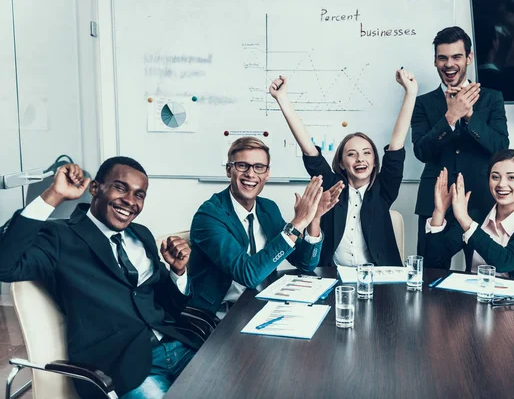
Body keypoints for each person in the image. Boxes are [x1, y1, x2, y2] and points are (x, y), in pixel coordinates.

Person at [0, 157, 201, 399]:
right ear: (95, 188)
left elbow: (165, 306)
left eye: (139, 195)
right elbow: (5, 265)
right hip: (125, 369)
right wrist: (54, 194)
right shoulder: (60, 236)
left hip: (176, 348)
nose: (130, 201)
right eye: (120, 187)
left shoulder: (141, 234)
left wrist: (177, 272)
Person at [269, 69, 417, 267]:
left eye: (366, 153)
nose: (360, 159)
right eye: (351, 154)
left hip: (379, 280)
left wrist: (411, 93)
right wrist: (282, 99)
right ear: (341, 163)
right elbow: (308, 148)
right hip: (334, 278)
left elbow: (396, 145)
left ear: (374, 161)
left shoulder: (384, 189)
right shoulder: (332, 187)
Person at [188, 137, 340, 317]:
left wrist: (313, 219)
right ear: (229, 170)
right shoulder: (209, 216)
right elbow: (248, 274)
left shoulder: (267, 208)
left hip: (263, 307)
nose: (251, 174)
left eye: (259, 167)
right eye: (242, 165)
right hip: (220, 316)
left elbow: (305, 263)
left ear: (267, 174)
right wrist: (298, 223)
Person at [411, 26, 510, 267]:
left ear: (469, 57)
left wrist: (468, 117)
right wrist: (450, 118)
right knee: (429, 275)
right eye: (442, 57)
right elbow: (421, 151)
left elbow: (501, 147)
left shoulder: (491, 97)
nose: (449, 64)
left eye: (456, 57)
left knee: (481, 274)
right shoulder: (423, 103)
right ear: (435, 61)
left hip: (480, 202)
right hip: (434, 203)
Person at [425, 149, 514, 283]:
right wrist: (439, 211)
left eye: (511, 177)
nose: (501, 184)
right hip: (471, 299)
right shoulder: (476, 217)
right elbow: (434, 261)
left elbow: (504, 262)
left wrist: (465, 220)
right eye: (495, 177)